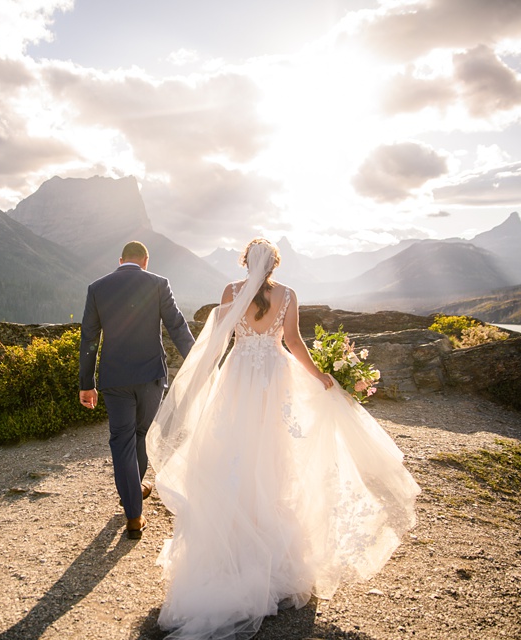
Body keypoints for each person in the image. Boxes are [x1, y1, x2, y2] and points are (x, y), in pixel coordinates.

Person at [147, 238, 420, 639]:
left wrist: (201, 379)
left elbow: (220, 339)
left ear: (245, 263)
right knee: (274, 457)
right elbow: (293, 343)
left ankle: (231, 553)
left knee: (232, 453)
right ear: (274, 265)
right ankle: (272, 555)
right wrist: (321, 377)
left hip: (237, 378)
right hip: (274, 380)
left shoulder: (231, 292)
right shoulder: (288, 295)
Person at [79, 240, 195, 539]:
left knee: (121, 440)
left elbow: (89, 339)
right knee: (140, 435)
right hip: (149, 377)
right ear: (145, 260)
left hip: (114, 379)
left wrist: (87, 383)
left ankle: (133, 511)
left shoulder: (97, 288)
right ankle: (133, 496)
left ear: (121, 260)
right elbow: (177, 326)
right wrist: (198, 362)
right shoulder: (158, 283)